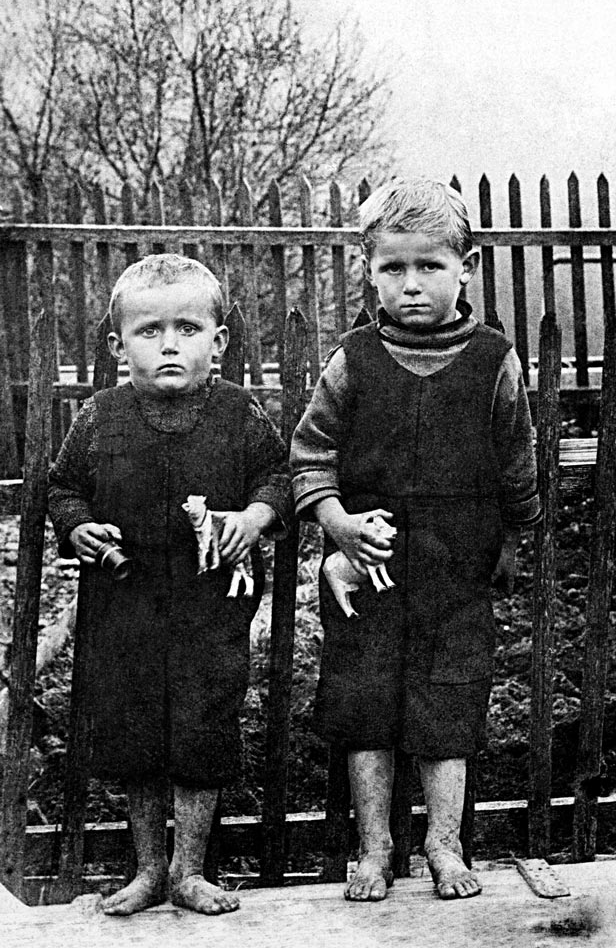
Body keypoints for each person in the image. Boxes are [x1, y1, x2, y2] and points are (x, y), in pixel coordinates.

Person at [290, 178, 540, 902]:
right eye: (392, 268)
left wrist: (512, 541)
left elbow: (515, 459)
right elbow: (311, 454)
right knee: (366, 708)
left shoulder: (494, 358)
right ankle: (372, 848)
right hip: (366, 569)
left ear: (465, 267)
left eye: (428, 266)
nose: (409, 284)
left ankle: (443, 844)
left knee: (447, 710)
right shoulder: (353, 359)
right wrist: (335, 523)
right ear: (368, 270)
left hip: (456, 572)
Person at [48, 253, 292, 917]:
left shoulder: (239, 414)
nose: (169, 344)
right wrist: (79, 529)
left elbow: (279, 480)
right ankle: (148, 871)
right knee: (134, 731)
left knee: (201, 728)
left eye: (187, 328)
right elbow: (64, 489)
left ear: (218, 339)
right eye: (149, 331)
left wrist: (252, 516)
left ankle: (190, 871)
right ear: (117, 344)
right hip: (123, 605)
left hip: (209, 607)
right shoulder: (99, 417)